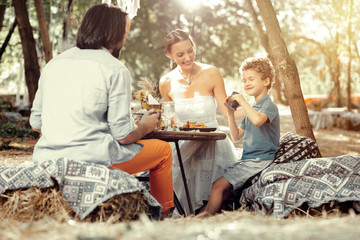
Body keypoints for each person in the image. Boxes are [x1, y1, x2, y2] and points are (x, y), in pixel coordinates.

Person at [29, 4, 174, 219]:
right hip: (92, 159)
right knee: (162, 151)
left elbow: (36, 123)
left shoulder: (53, 64)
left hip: (47, 159)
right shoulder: (115, 68)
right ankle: (164, 216)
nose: (125, 38)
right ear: (113, 34)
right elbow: (124, 136)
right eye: (124, 33)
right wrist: (144, 126)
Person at [159, 29, 244, 214]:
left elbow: (227, 110)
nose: (187, 57)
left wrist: (253, 109)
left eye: (190, 50)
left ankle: (206, 210)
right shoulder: (165, 82)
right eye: (180, 54)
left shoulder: (211, 72)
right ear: (169, 55)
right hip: (183, 144)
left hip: (212, 141)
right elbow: (168, 120)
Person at [200, 56, 280, 215]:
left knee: (218, 185)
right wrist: (230, 114)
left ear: (266, 81)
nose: (246, 84)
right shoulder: (253, 107)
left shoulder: (268, 106)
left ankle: (200, 220)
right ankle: (201, 214)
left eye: (251, 79)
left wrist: (243, 102)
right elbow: (236, 136)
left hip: (259, 160)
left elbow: (258, 120)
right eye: (244, 80)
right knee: (224, 190)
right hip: (248, 159)